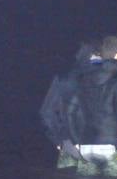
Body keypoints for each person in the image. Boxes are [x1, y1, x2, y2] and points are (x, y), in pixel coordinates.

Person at [67, 35, 117, 176]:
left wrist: (75, 139)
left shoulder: (83, 79)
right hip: (111, 145)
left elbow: (70, 112)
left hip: (86, 145)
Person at [39, 41, 97, 169]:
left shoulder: (63, 77)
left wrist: (60, 138)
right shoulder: (101, 79)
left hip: (68, 144)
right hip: (95, 145)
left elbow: (46, 112)